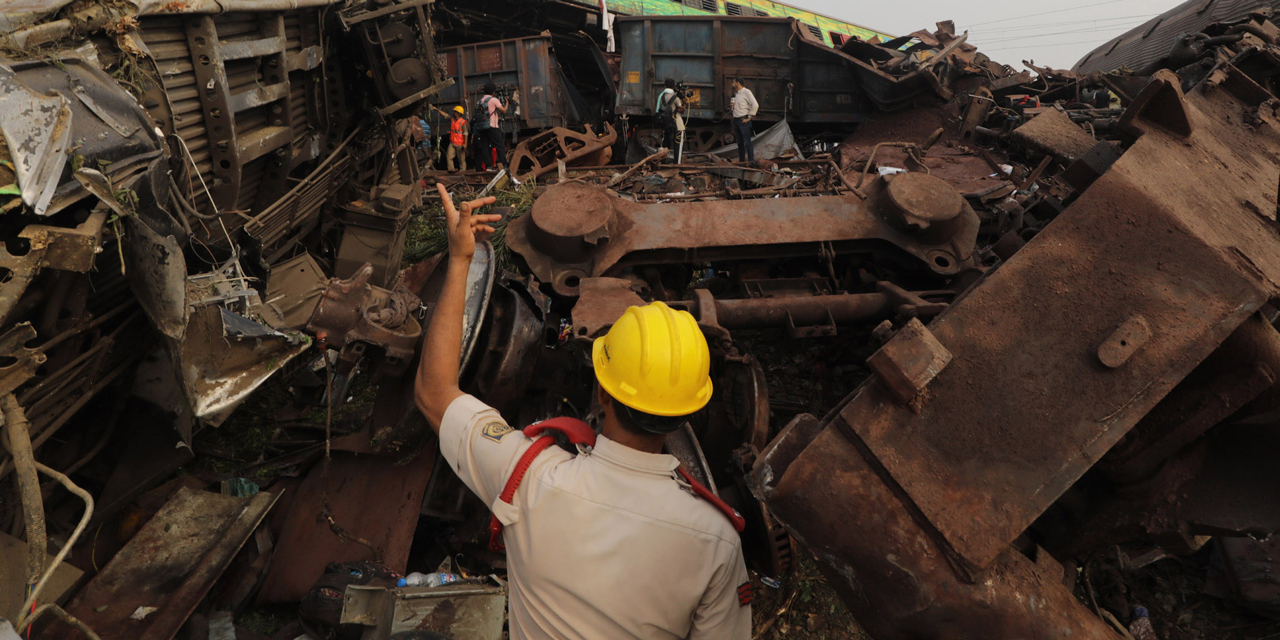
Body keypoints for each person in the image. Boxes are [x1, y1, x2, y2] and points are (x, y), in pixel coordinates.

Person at [415, 184, 752, 640]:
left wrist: (460, 260)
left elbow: (434, 392)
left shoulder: (527, 474)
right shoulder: (717, 542)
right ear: (689, 412)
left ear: (603, 393)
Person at [473, 83, 509, 171]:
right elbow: (503, 111)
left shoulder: (479, 101)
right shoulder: (494, 100)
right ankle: (504, 164)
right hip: (492, 125)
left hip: (481, 127)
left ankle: (488, 166)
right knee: (499, 145)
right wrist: (507, 102)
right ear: (493, 92)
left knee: (485, 146)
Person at [729, 77, 758, 163]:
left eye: (733, 82)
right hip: (736, 120)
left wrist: (749, 117)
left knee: (747, 141)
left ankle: (751, 160)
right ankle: (742, 161)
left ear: (738, 83)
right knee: (739, 143)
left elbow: (755, 104)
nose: (732, 83)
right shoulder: (736, 94)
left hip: (743, 119)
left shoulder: (746, 92)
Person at [432, 104, 469, 173]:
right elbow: (445, 115)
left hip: (460, 144)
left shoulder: (463, 123)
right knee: (449, 157)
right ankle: (451, 170)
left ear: (458, 113)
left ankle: (463, 172)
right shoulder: (453, 119)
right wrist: (436, 109)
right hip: (452, 143)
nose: (453, 113)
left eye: (455, 112)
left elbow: (466, 134)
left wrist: (465, 144)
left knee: (461, 160)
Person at [655, 78, 682, 159]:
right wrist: (684, 105)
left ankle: (662, 160)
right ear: (674, 86)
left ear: (665, 86)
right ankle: (676, 161)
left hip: (665, 122)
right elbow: (681, 110)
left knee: (665, 142)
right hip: (674, 122)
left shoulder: (661, 96)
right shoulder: (675, 98)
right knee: (677, 142)